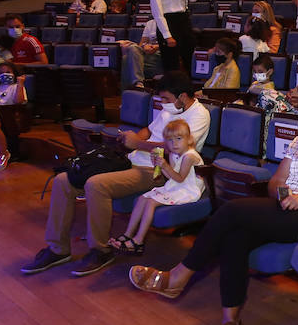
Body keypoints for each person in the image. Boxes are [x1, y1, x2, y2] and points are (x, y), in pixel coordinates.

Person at [128, 84, 298, 325]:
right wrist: (286, 195)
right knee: (234, 239)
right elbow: (276, 182)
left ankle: (179, 276)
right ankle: (230, 322)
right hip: (284, 208)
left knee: (231, 211)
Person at [20, 72, 210, 278]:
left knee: (96, 184)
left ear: (182, 96)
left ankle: (100, 251)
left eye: (166, 99)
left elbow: (174, 148)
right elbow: (149, 130)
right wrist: (132, 140)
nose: (163, 104)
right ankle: (58, 249)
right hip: (131, 160)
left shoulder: (199, 114)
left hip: (158, 171)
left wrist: (136, 144)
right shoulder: (168, 110)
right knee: (63, 180)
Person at [109, 118, 206, 254]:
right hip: (174, 185)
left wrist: (164, 165)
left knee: (151, 203)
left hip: (187, 190)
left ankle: (138, 241)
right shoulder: (173, 154)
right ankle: (128, 234)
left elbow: (180, 178)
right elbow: (171, 175)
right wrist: (159, 165)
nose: (174, 144)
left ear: (189, 139)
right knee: (143, 198)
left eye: (179, 138)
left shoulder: (189, 157)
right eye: (170, 140)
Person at [120, 19, 162, 89]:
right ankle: (139, 83)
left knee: (126, 60)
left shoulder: (170, 21)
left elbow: (173, 43)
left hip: (160, 54)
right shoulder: (150, 23)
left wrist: (156, 47)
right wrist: (144, 46)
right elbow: (142, 43)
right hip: (146, 53)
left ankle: (128, 91)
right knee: (133, 48)